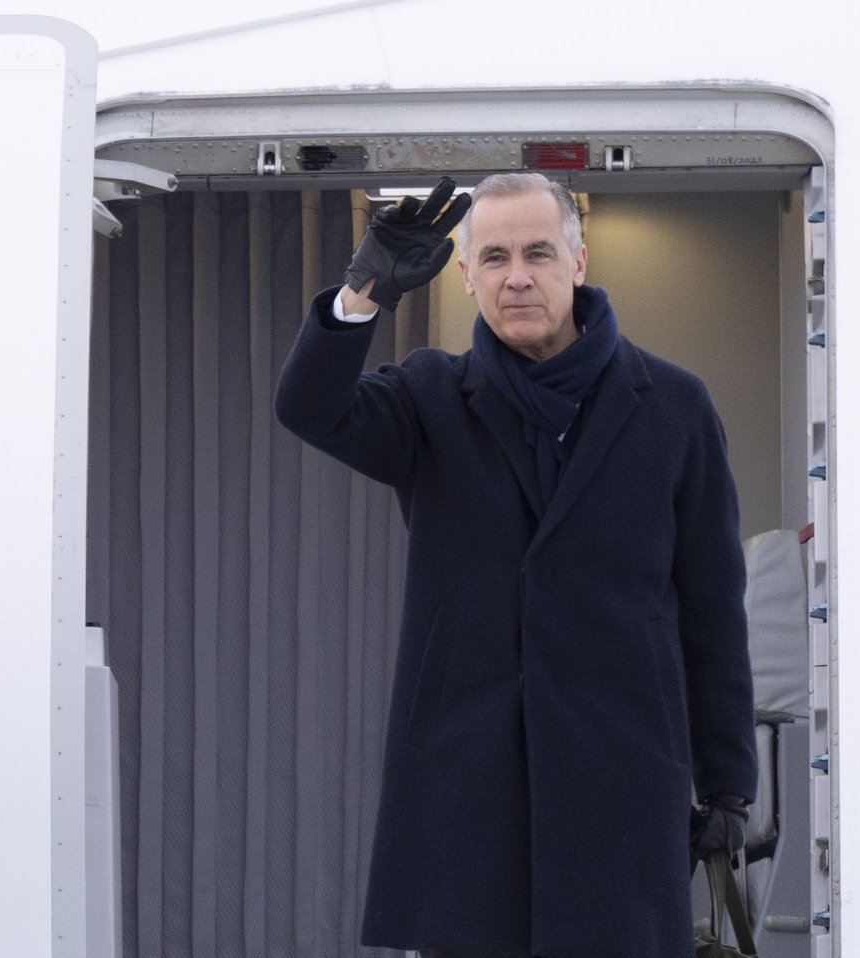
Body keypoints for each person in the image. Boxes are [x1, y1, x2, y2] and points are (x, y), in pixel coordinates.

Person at [275, 173, 758, 958]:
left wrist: (729, 783)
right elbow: (310, 408)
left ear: (579, 260)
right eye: (494, 258)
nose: (518, 276)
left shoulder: (674, 405)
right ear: (467, 277)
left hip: (623, 786)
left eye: (538, 253)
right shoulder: (430, 397)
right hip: (468, 793)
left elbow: (712, 608)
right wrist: (363, 292)